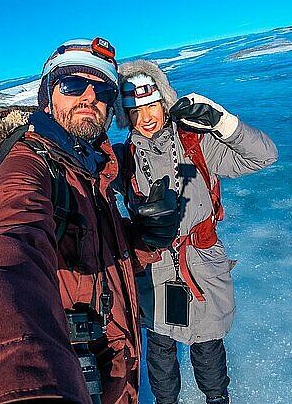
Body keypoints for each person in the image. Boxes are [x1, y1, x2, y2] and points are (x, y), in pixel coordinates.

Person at [0, 39, 179, 404]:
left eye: (103, 90)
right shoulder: (27, 162)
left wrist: (144, 239)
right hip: (68, 368)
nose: (89, 97)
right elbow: (9, 245)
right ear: (47, 96)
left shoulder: (86, 164)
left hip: (111, 360)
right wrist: (13, 384)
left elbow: (96, 254)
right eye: (73, 85)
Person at [114, 60, 278, 404]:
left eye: (152, 105)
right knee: (159, 347)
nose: (146, 117)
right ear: (124, 115)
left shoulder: (196, 144)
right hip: (154, 267)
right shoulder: (122, 160)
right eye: (135, 110)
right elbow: (81, 175)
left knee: (207, 343)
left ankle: (217, 399)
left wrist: (224, 122)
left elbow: (264, 156)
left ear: (164, 100)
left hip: (202, 263)